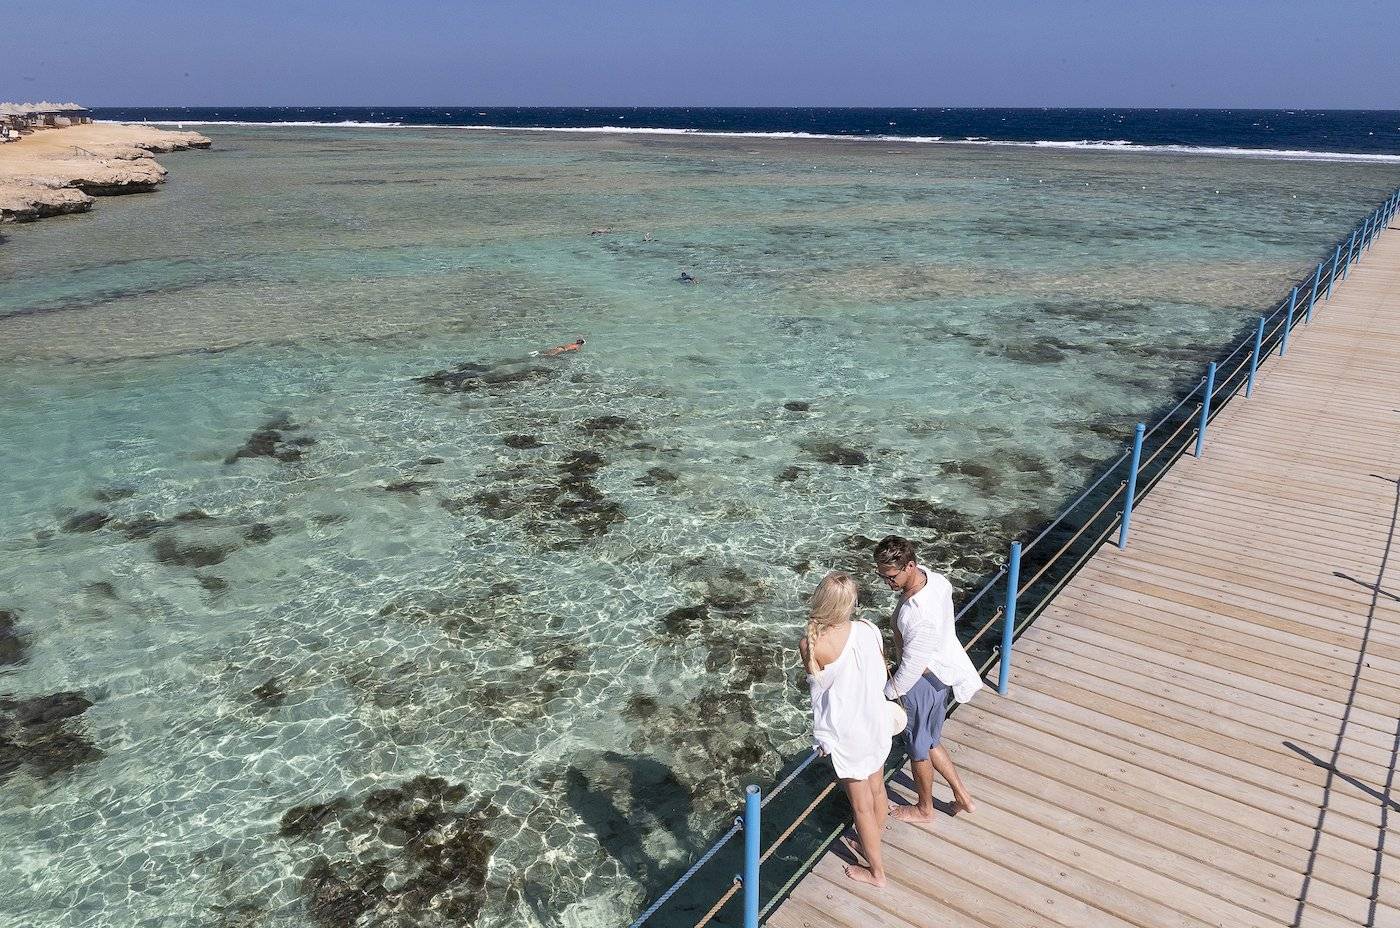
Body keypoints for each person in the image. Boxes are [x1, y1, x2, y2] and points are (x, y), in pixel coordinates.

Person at [873, 535, 980, 823]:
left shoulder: (917, 615)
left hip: (920, 685)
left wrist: (886, 694)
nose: (888, 583)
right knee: (931, 741)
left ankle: (924, 809)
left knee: (918, 750)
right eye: (882, 576)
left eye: (892, 577)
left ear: (909, 566)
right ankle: (963, 797)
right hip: (939, 678)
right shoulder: (935, 580)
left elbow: (912, 668)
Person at [800, 571, 892, 886]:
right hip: (875, 720)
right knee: (877, 788)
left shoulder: (812, 645)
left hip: (849, 733)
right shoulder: (868, 629)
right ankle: (873, 840)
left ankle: (876, 872)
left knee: (861, 807)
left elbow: (818, 692)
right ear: (851, 603)